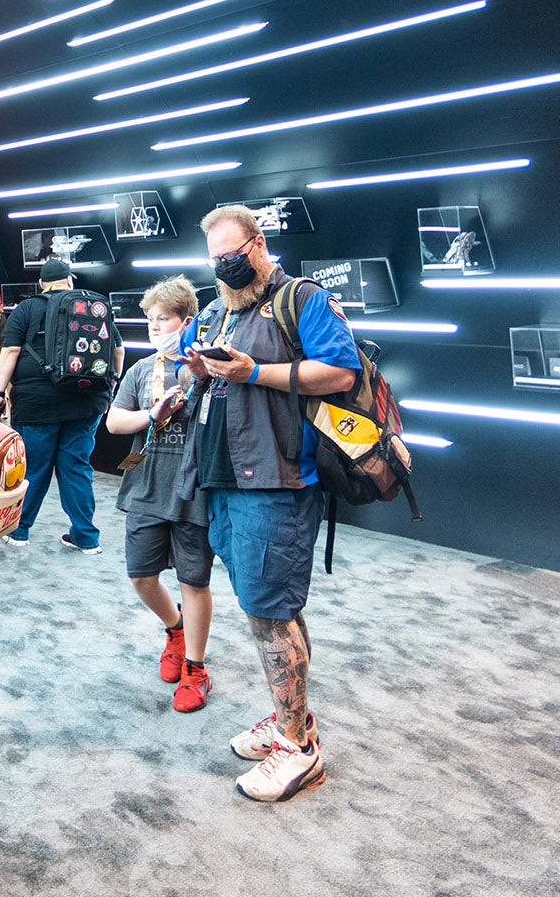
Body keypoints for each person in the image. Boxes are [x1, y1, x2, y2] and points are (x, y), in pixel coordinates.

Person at [175, 204, 359, 802]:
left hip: (277, 480)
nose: (224, 268)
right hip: (225, 475)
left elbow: (340, 373)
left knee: (269, 612)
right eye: (214, 261)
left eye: (231, 256)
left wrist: (256, 373)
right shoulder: (218, 310)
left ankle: (300, 750)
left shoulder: (300, 298)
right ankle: (291, 721)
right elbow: (197, 365)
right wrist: (199, 365)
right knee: (269, 605)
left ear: (256, 245)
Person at [103, 277, 212, 712]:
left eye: (162, 319)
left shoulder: (204, 369)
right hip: (146, 487)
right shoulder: (140, 369)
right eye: (149, 320)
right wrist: (152, 413)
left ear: (186, 321)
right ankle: (175, 629)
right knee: (141, 576)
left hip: (192, 492)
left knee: (194, 581)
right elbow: (113, 424)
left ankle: (195, 667)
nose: (153, 327)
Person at [0, 257, 120, 552]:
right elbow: (118, 351)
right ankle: (86, 538)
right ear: (70, 281)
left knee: (33, 468)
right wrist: (109, 385)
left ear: (41, 284)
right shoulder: (90, 308)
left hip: (37, 403)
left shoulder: (27, 308)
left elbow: (10, 351)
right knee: (76, 466)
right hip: (87, 402)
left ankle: (20, 530)